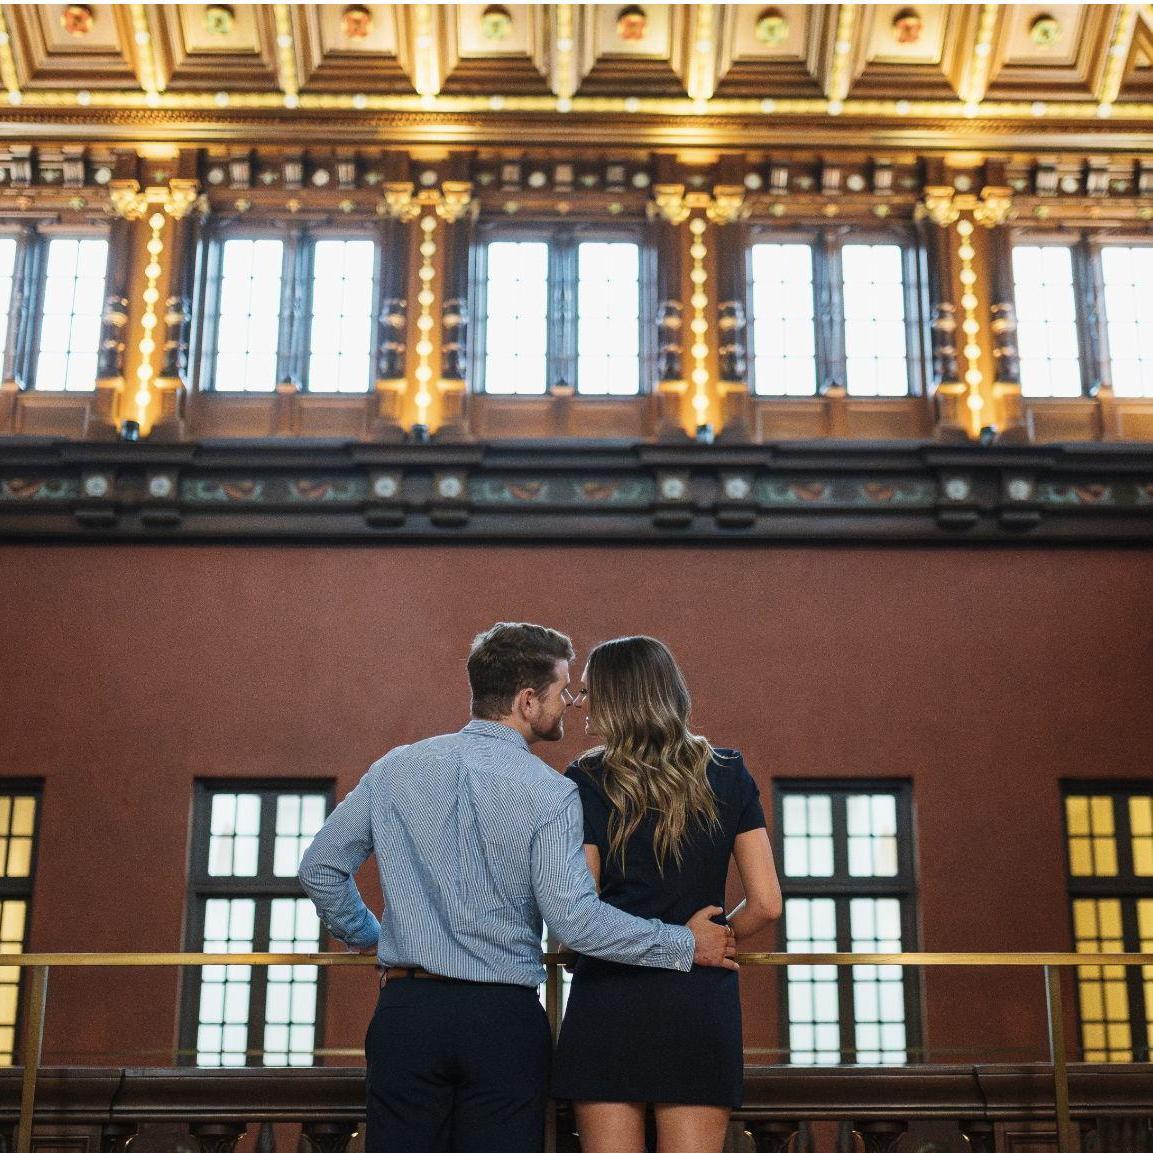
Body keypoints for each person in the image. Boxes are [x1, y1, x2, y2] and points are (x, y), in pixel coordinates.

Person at [297, 622, 737, 1153]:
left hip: (407, 1013)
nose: (570, 704)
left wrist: (369, 936)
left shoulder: (395, 768)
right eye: (562, 692)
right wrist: (685, 943)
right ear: (528, 701)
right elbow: (575, 920)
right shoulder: (550, 793)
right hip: (502, 1021)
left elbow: (320, 867)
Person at [552, 635, 783, 1153]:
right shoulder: (728, 772)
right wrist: (713, 941)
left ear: (621, 698)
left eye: (589, 691)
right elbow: (767, 903)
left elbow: (580, 908)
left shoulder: (586, 779)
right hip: (698, 1003)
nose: (580, 703)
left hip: (608, 997)